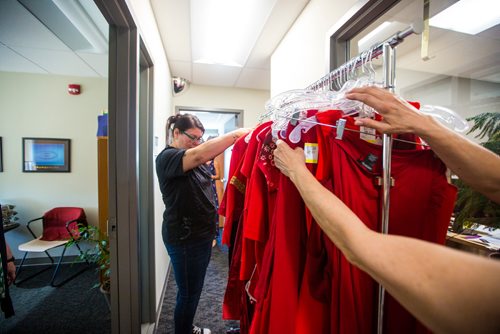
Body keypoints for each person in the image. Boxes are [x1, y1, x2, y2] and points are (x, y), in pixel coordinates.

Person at [273, 86, 500, 334]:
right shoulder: (322, 132)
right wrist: (425, 125)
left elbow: (360, 246)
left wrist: (297, 172)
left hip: (375, 272)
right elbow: (494, 182)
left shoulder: (487, 296)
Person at [156, 113, 250, 334]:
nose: (197, 143)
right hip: (185, 238)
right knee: (189, 293)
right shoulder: (168, 158)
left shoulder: (190, 157)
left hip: (199, 237)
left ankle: (186, 327)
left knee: (192, 290)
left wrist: (209, 236)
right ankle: (184, 330)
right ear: (176, 133)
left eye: (200, 138)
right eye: (193, 137)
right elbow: (198, 155)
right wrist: (236, 134)